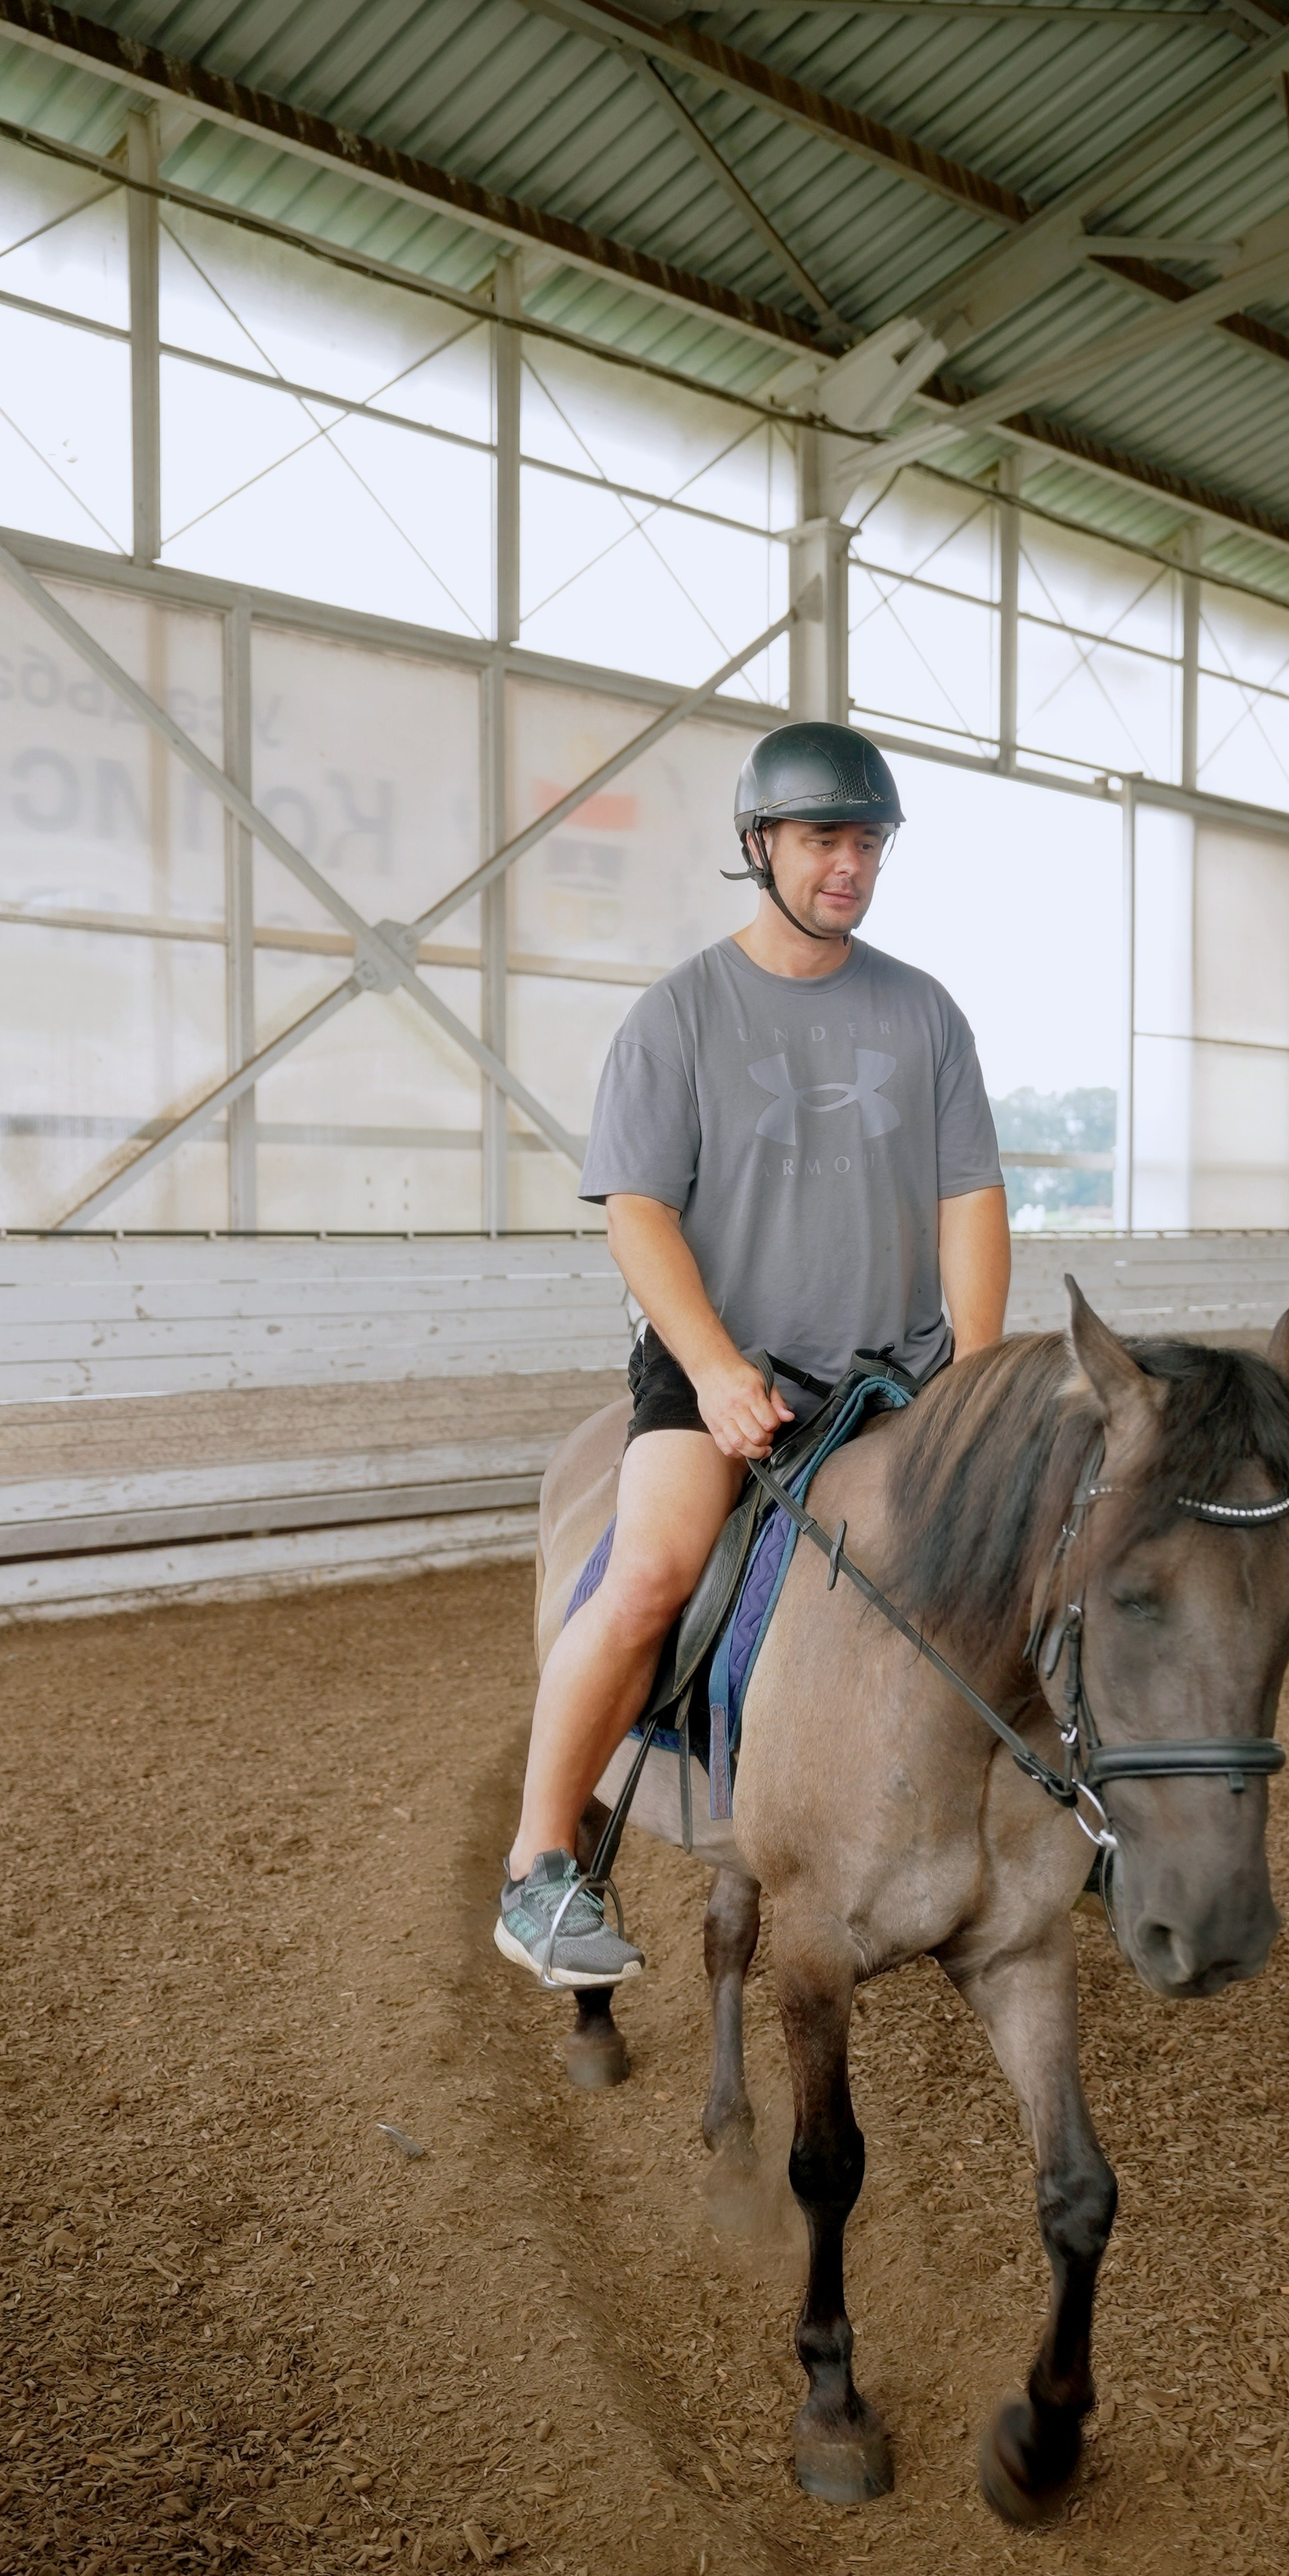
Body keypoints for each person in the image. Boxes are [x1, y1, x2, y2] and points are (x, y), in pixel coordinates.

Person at [495, 722, 1011, 1985]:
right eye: (825, 838)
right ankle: (539, 1865)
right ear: (759, 846)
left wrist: (981, 1389)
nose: (851, 865)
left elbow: (970, 1204)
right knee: (654, 1572)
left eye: (869, 842)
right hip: (722, 1367)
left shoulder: (925, 1013)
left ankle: (1076, 1825)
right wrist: (719, 1372)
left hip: (895, 1372)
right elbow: (638, 1213)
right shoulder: (680, 1016)